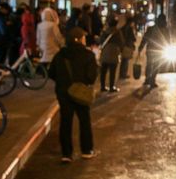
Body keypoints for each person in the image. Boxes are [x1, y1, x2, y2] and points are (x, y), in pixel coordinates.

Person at [49, 27, 99, 162]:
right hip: (81, 92)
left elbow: (51, 73)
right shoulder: (88, 55)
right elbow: (91, 77)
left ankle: (66, 154)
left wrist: (64, 82)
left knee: (66, 122)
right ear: (79, 39)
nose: (85, 39)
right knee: (84, 120)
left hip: (63, 93)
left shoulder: (60, 55)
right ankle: (86, 150)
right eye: (83, 37)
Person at [137, 13, 170, 88]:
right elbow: (168, 40)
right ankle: (152, 81)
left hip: (151, 49)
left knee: (149, 64)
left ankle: (148, 80)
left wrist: (141, 47)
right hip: (159, 50)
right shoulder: (165, 29)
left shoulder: (152, 28)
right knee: (156, 65)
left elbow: (145, 38)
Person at [98, 17, 122, 92]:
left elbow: (100, 41)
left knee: (103, 70)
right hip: (114, 51)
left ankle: (102, 86)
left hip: (105, 51)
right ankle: (111, 87)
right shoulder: (118, 32)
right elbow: (121, 42)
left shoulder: (105, 32)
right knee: (112, 71)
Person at [117, 13, 137, 80]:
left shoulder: (123, 28)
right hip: (128, 45)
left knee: (124, 60)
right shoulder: (130, 28)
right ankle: (123, 74)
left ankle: (122, 74)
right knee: (125, 60)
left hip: (123, 45)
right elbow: (133, 38)